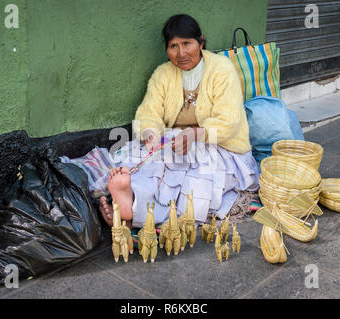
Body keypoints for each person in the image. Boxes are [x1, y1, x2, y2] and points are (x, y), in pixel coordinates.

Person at [99, 14, 259, 228]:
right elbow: (149, 113)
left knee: (193, 178)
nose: (181, 53)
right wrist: (150, 134)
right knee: (149, 164)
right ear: (167, 49)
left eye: (187, 43)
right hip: (174, 142)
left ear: (201, 42)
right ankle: (130, 200)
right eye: (173, 46)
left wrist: (195, 135)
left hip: (223, 149)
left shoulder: (222, 70)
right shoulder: (163, 74)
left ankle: (134, 215)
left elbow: (230, 122)